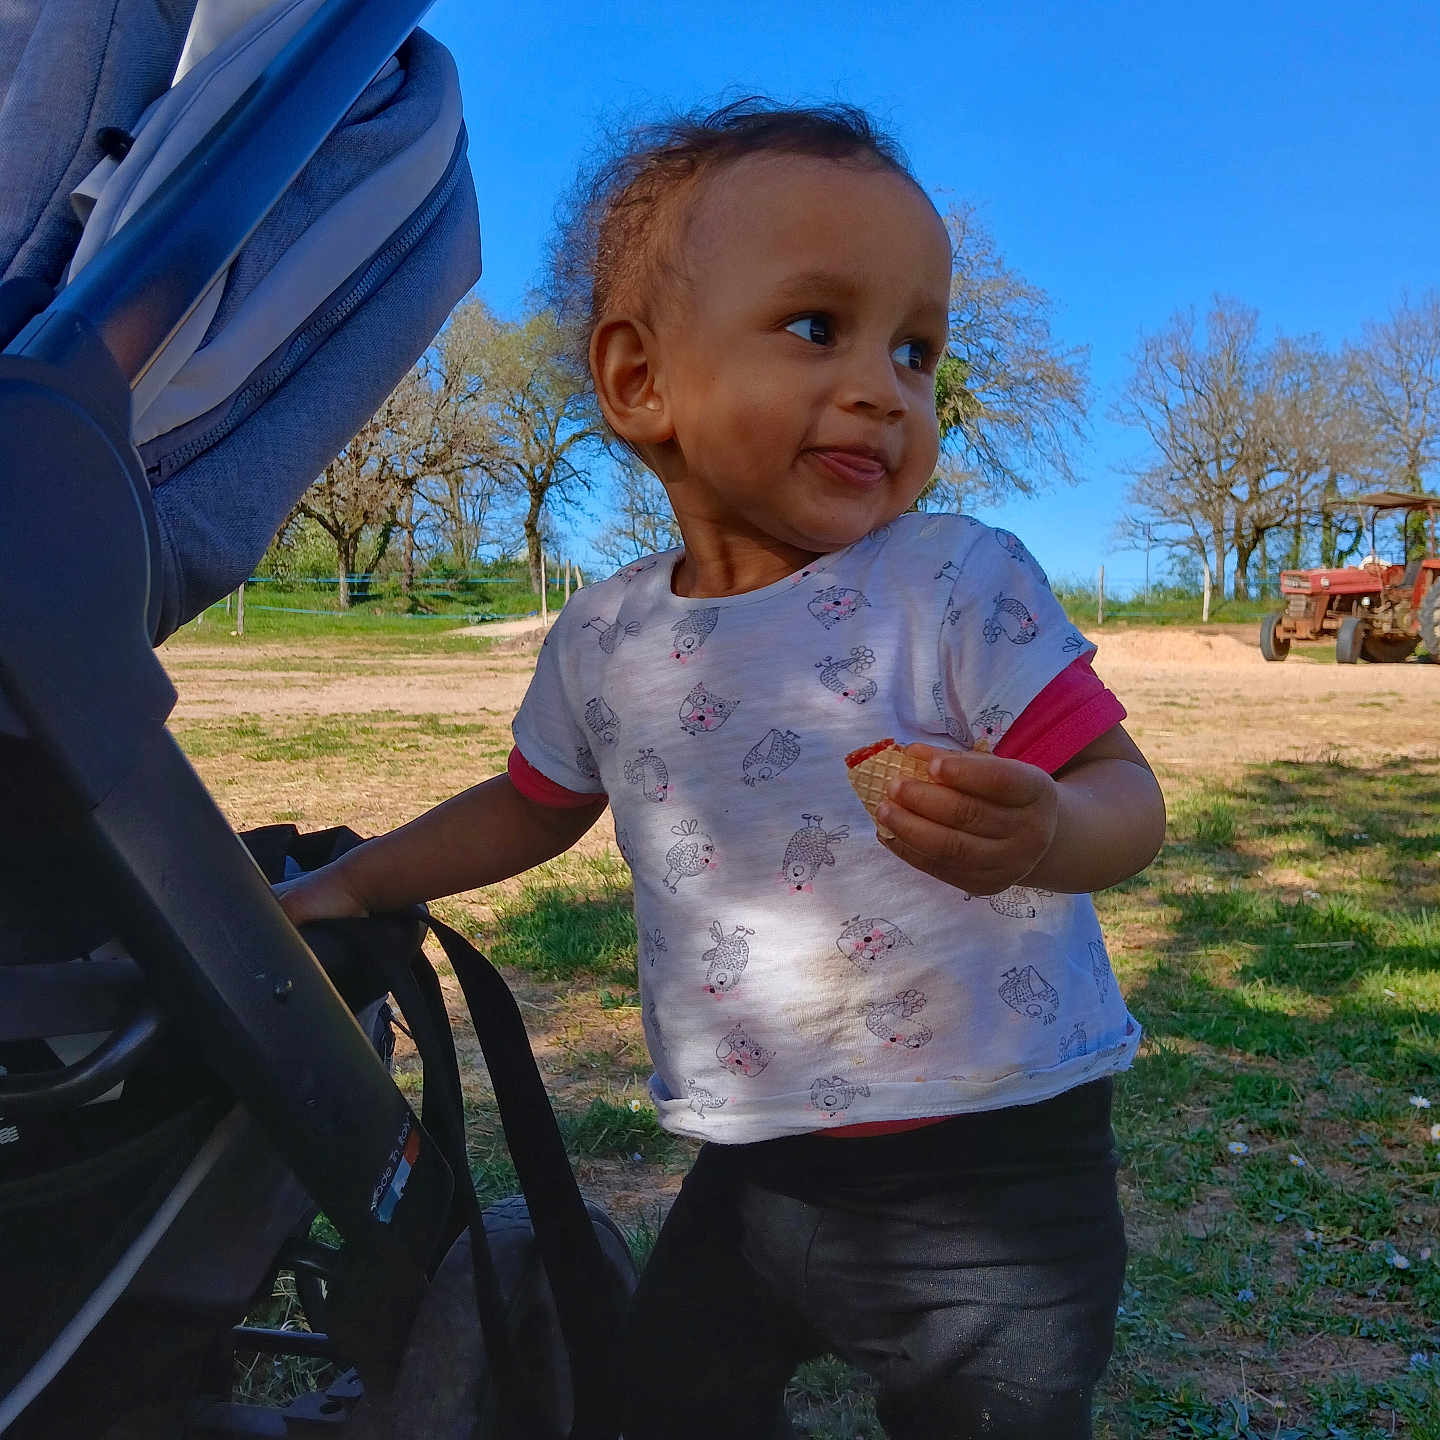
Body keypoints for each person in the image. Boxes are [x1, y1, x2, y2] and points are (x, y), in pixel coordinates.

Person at [278, 99, 1166, 1440]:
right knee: (664, 1406)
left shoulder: (955, 582)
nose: (884, 385)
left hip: (998, 1180)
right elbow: (529, 807)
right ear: (641, 382)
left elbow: (1126, 798)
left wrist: (1048, 828)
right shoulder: (608, 636)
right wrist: (351, 882)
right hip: (754, 1172)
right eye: (819, 328)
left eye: (917, 350)